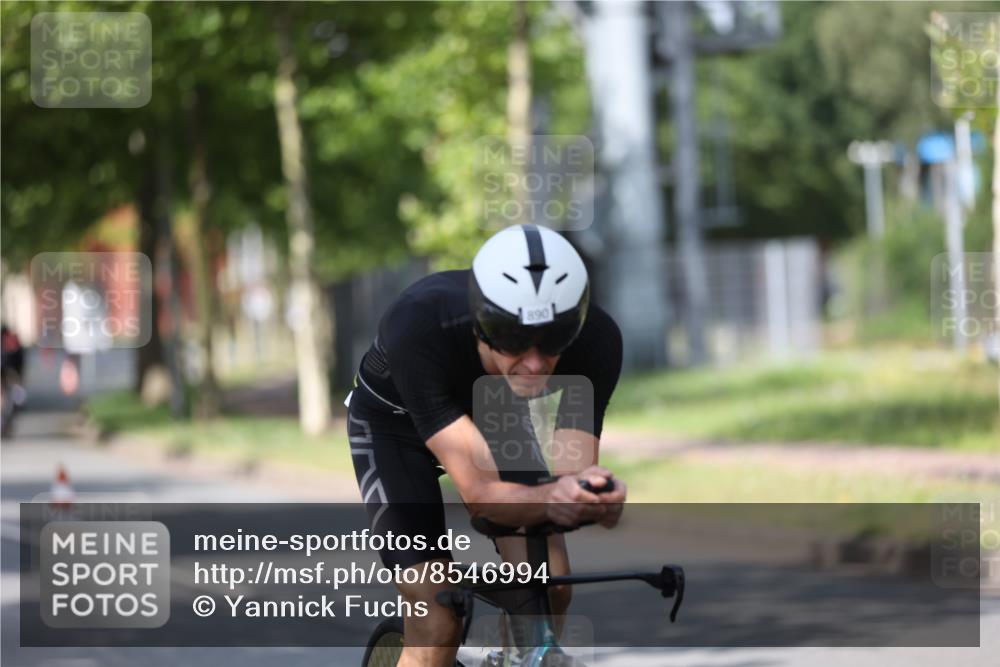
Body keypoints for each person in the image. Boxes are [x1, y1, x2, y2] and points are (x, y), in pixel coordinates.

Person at [347, 224, 625, 667]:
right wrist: (554, 497)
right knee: (437, 616)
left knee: (552, 586)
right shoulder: (419, 324)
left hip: (494, 413)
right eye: (514, 339)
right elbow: (483, 502)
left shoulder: (595, 341)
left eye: (553, 341)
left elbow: (572, 477)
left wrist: (596, 499)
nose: (535, 363)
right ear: (482, 324)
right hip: (393, 425)